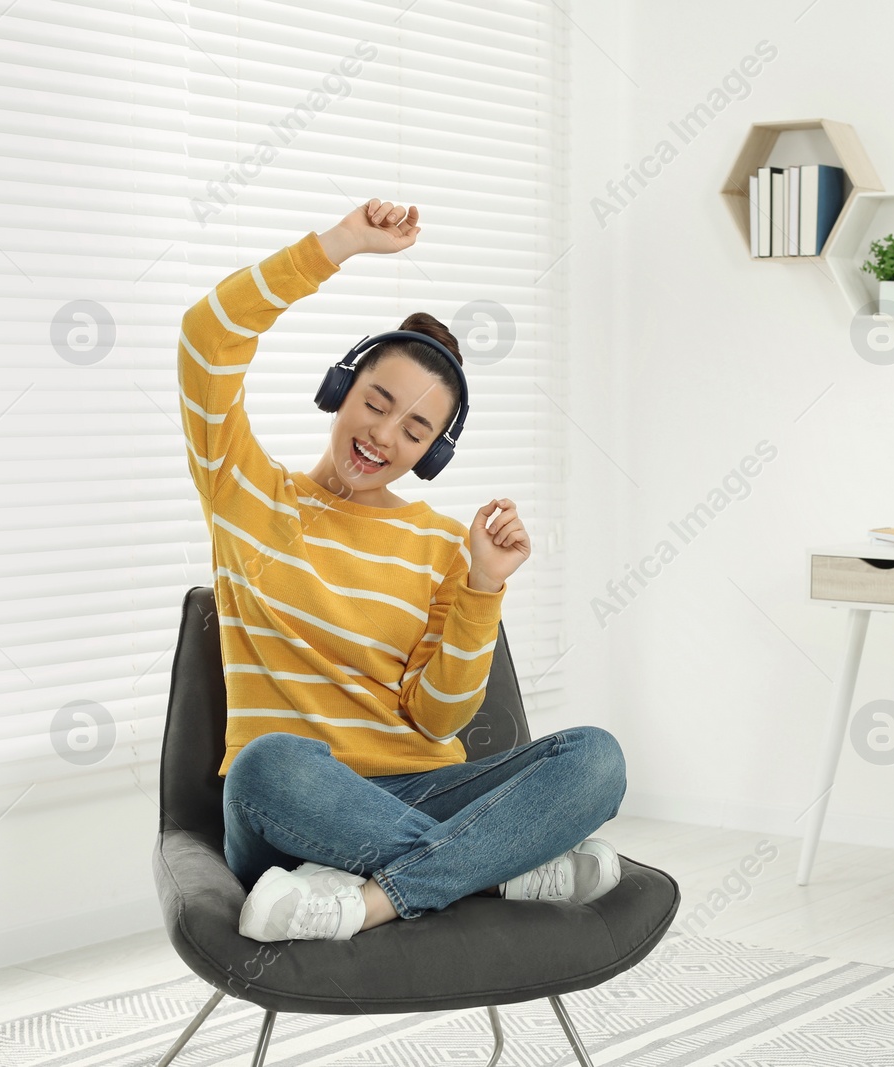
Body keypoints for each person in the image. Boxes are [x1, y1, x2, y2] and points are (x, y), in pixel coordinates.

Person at [177, 197, 626, 943]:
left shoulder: (444, 545)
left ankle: (372, 896)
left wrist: (484, 585)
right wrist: (338, 245)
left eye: (414, 430)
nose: (383, 436)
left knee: (596, 759)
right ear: (339, 389)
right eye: (375, 403)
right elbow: (204, 338)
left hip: (424, 786)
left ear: (432, 455)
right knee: (266, 765)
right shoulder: (246, 493)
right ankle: (498, 871)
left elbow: (440, 720)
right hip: (301, 802)